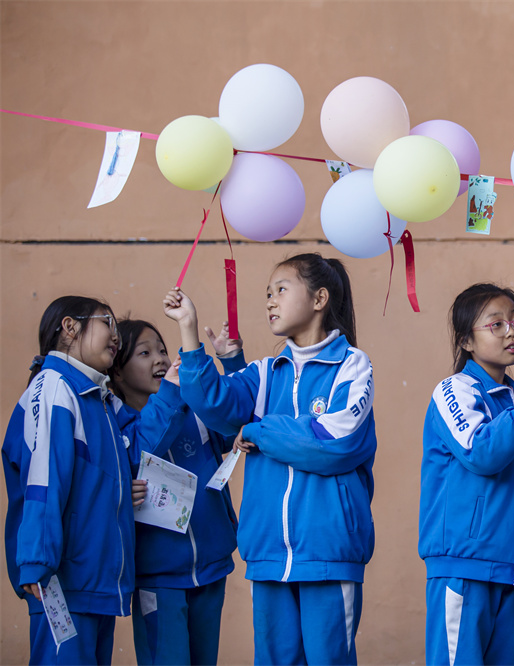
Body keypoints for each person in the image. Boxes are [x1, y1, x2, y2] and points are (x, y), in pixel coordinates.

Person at [163, 253, 375, 665]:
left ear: (319, 299)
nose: (270, 302)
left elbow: (332, 439)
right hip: (268, 553)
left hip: (327, 552)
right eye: (266, 294)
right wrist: (189, 330)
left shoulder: (352, 364)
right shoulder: (263, 372)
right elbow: (215, 405)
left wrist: (258, 430)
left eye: (281, 289)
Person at [3, 296, 185, 665]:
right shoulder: (54, 387)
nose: (115, 337)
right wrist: (38, 562)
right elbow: (43, 481)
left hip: (94, 582)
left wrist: (170, 390)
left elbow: (140, 448)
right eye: (108, 323)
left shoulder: (98, 399)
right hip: (62, 583)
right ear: (70, 327)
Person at [420, 283, 514, 666]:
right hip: (464, 564)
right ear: (466, 342)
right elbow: (482, 453)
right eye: (496, 324)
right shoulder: (454, 390)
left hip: (511, 565)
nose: (512, 332)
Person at [109, 319, 243, 666]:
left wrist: (231, 363)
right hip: (158, 577)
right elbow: (144, 450)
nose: (160, 360)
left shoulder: (192, 408)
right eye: (144, 353)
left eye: (162, 350)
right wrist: (170, 394)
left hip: (211, 568)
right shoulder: (115, 424)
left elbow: (234, 426)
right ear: (118, 372)